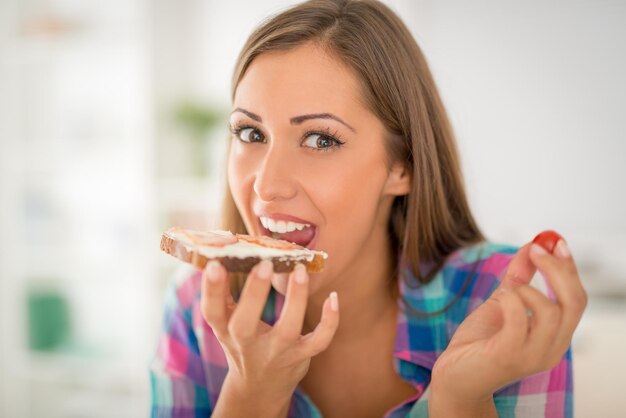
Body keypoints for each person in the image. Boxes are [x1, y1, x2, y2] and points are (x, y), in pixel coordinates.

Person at [150, 0, 587, 417]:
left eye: (321, 140)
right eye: (250, 133)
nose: (267, 184)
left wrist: (460, 399)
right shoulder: (196, 307)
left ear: (403, 165)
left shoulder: (503, 302)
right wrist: (251, 395)